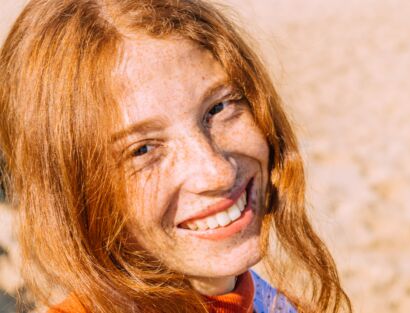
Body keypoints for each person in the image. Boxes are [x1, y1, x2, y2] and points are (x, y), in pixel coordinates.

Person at [0, 0, 352, 312]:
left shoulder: (277, 303)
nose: (217, 172)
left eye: (218, 107)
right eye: (143, 149)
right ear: (72, 195)